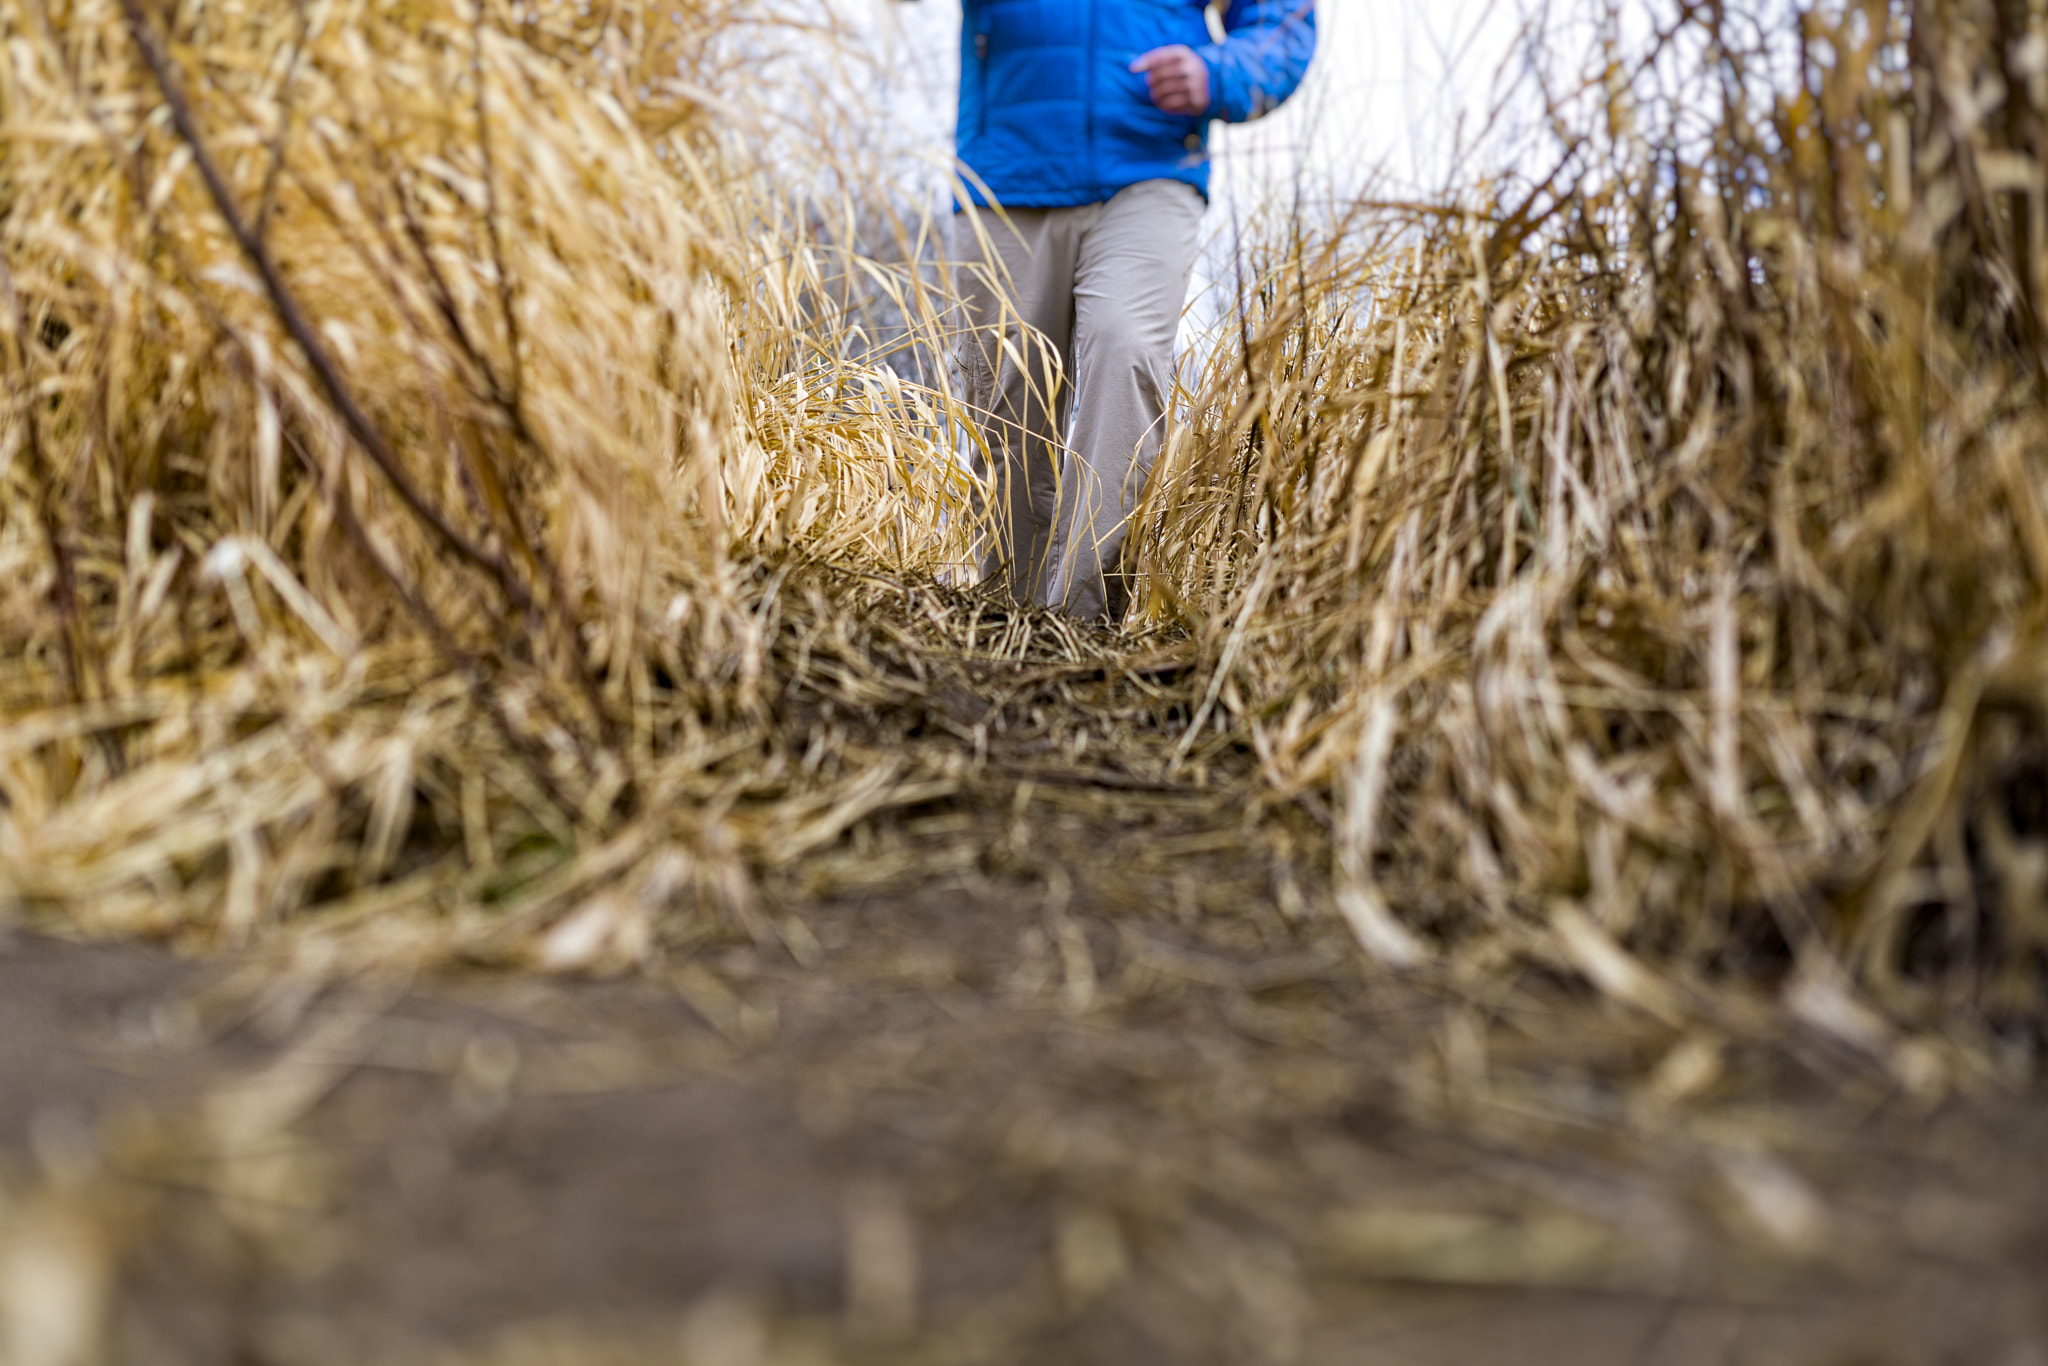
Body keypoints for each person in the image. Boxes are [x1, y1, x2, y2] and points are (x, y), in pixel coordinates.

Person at [948, 0, 1317, 621]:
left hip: (1149, 168)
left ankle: (1082, 620)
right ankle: (999, 615)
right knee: (1004, 383)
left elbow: (1282, 20)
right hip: (1007, 171)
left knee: (1125, 350)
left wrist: (1219, 72)